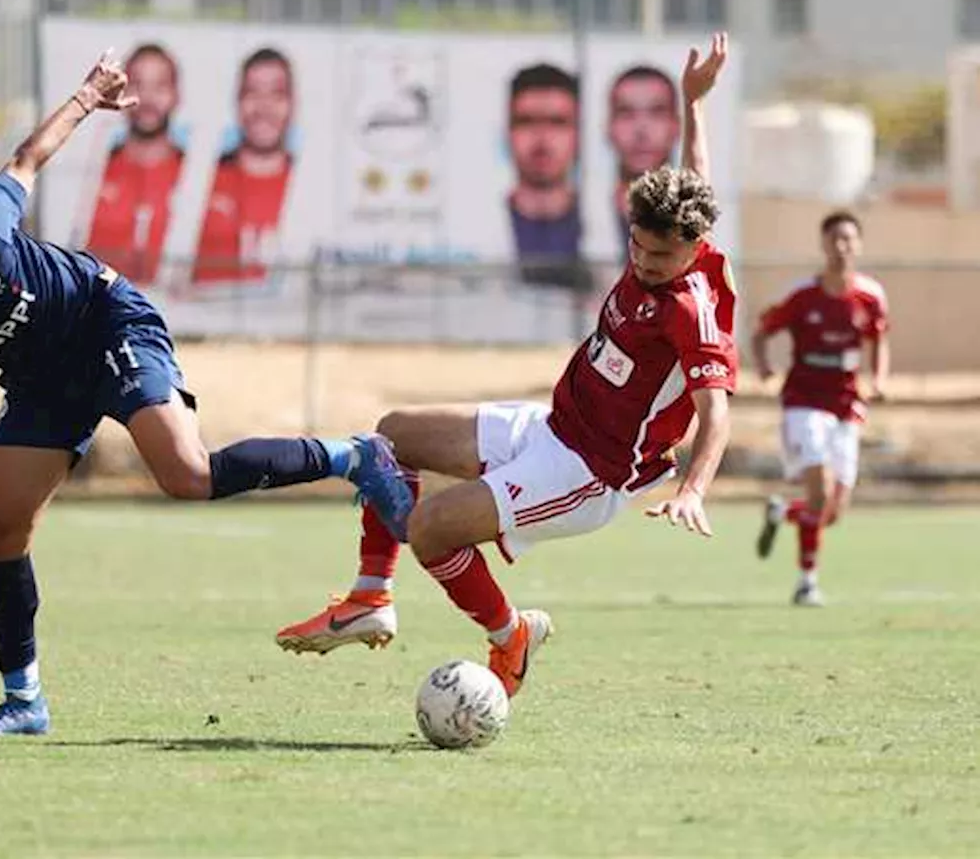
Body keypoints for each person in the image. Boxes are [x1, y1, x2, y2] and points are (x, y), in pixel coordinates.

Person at [0, 50, 413, 736]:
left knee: (187, 475)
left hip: (106, 322)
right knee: (2, 527)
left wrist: (87, 96)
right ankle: (23, 702)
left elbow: (26, 160)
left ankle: (356, 456)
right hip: (43, 379)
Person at [277, 34, 737, 698]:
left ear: (691, 250)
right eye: (636, 246)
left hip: (589, 472)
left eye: (658, 257)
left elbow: (716, 410)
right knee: (392, 433)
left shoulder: (691, 313)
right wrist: (695, 103)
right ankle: (370, 596)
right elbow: (698, 178)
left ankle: (509, 636)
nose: (642, 263)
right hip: (550, 427)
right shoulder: (677, 233)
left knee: (431, 528)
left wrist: (694, 488)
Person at [751, 211, 890, 606]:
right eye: (835, 239)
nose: (842, 246)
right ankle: (806, 582)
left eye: (849, 239)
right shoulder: (802, 296)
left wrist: (878, 380)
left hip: (847, 403)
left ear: (859, 245)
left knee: (831, 511)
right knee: (820, 493)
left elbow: (879, 340)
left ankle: (781, 514)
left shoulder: (870, 295)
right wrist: (763, 367)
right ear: (823, 244)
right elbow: (762, 332)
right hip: (804, 400)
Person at [83, 43, 185, 286]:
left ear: (176, 95)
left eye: (159, 86)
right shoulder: (94, 172)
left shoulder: (195, 176)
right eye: (138, 84)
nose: (147, 98)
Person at [192, 47, 294, 285]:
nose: (263, 107)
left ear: (293, 103)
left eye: (277, 94)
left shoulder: (308, 186)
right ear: (237, 100)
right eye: (252, 93)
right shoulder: (203, 180)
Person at [505, 63, 590, 291]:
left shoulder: (606, 228)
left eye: (557, 122)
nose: (542, 139)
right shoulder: (477, 229)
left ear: (578, 133)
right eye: (526, 121)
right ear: (507, 132)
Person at [608, 66, 681, 258]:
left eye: (657, 113)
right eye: (626, 113)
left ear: (676, 126)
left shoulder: (692, 215)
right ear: (608, 127)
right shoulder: (580, 221)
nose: (641, 130)